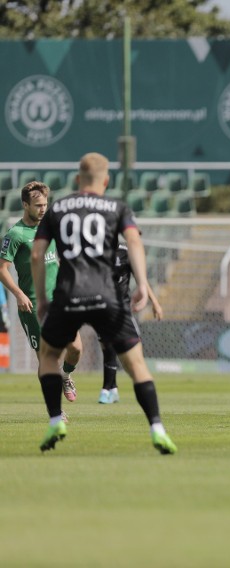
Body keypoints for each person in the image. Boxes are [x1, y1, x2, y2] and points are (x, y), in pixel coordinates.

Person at [32, 152, 177, 455]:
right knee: (137, 365)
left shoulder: (57, 209)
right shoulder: (117, 207)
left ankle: (56, 419)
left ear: (77, 179)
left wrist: (43, 300)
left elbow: (37, 255)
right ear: (106, 180)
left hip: (68, 295)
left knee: (48, 357)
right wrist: (143, 286)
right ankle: (157, 428)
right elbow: (134, 242)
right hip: (108, 296)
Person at [0, 181, 83, 408]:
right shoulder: (15, 234)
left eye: (45, 204)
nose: (43, 209)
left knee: (76, 348)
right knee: (47, 359)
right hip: (33, 305)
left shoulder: (50, 227)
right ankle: (55, 412)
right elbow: (1, 269)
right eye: (38, 205)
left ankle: (66, 376)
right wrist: (18, 294)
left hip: (59, 301)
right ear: (25, 205)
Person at [99, 242, 164, 404]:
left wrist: (154, 303)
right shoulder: (95, 251)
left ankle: (107, 389)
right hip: (101, 307)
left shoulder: (125, 252)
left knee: (116, 346)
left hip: (122, 309)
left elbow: (142, 281)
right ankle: (112, 388)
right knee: (106, 346)